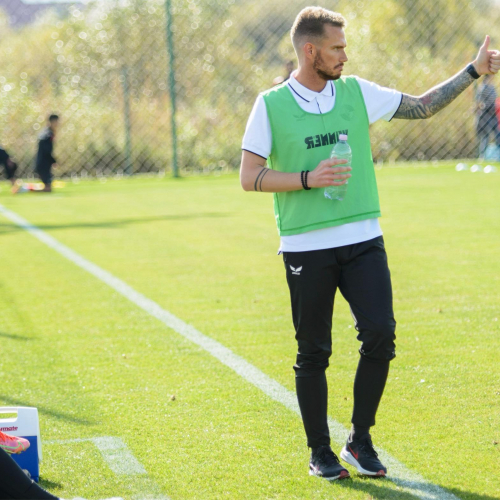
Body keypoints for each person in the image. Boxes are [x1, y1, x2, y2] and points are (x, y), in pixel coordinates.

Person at [240, 6, 500, 481]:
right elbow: (249, 176)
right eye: (337, 47)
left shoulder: (357, 92)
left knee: (380, 333)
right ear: (310, 50)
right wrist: (307, 178)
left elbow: (422, 105)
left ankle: (360, 440)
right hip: (305, 247)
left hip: (363, 239)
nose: (345, 55)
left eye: (345, 46)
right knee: (313, 351)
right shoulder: (271, 104)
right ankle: (320, 452)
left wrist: (473, 71)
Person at [475, 74, 500, 158]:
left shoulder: (492, 87)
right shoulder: (483, 87)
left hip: (493, 114)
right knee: (485, 136)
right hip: (486, 114)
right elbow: (479, 101)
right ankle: (482, 156)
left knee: (497, 135)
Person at [35, 115, 59, 193]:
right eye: (56, 121)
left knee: (48, 186)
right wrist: (53, 160)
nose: (58, 124)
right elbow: (46, 150)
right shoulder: (48, 134)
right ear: (52, 122)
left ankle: (29, 190)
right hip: (43, 162)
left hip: (43, 161)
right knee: (48, 188)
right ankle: (27, 190)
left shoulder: (46, 133)